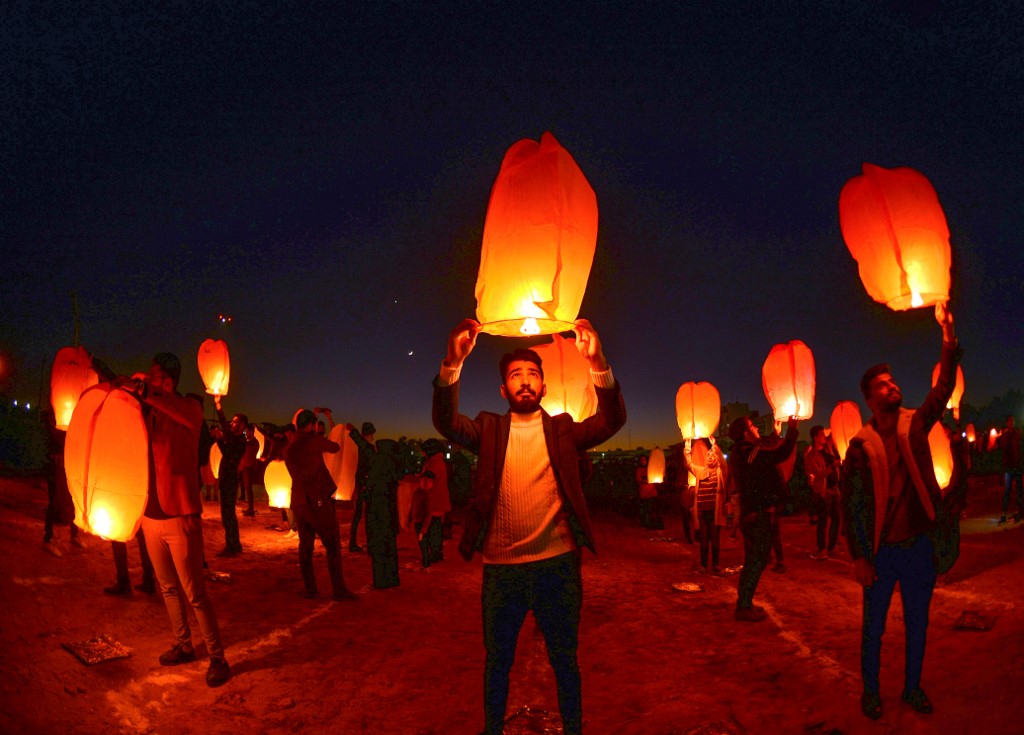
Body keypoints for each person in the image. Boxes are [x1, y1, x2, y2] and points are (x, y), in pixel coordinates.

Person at [432, 318, 626, 735]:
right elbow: (447, 424)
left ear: (544, 387)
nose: (525, 382)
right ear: (504, 390)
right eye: (515, 376)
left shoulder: (563, 431)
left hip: (557, 565)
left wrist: (598, 363)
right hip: (501, 569)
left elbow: (611, 422)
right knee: (497, 660)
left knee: (564, 658)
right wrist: (452, 363)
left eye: (532, 375)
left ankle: (573, 728)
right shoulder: (488, 429)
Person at [841, 301, 959, 720]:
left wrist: (947, 336)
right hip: (881, 553)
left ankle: (912, 688)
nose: (893, 387)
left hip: (918, 547)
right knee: (873, 628)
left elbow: (942, 389)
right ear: (871, 398)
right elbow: (850, 506)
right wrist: (858, 556)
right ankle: (870, 693)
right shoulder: (858, 448)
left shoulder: (915, 424)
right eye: (884, 385)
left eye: (893, 382)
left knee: (917, 624)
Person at [133, 353, 230, 687]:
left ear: (169, 379)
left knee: (195, 592)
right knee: (167, 587)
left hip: (180, 515)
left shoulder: (190, 407)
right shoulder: (148, 413)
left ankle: (218, 657)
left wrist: (147, 393)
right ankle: (183, 643)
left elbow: (173, 408)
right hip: (150, 514)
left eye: (156, 376)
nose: (151, 381)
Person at [727, 414, 799, 621]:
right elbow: (778, 454)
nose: (756, 427)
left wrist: (776, 433)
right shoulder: (749, 453)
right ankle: (743, 606)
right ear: (745, 433)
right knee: (755, 562)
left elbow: (764, 450)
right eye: (752, 426)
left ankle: (745, 603)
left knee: (756, 560)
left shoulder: (743, 452)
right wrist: (792, 429)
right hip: (757, 515)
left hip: (754, 514)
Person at [284, 409, 357, 600]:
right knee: (332, 544)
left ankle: (310, 589)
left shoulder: (290, 445)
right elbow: (334, 447)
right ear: (310, 425)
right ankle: (339, 590)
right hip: (316, 500)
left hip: (298, 501)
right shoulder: (313, 440)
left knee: (305, 545)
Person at [347, 422, 402, 589]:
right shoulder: (394, 464)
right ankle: (392, 579)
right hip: (390, 512)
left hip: (377, 511)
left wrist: (354, 432)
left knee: (378, 547)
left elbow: (364, 447)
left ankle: (380, 581)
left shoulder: (378, 460)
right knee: (390, 547)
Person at [682, 437, 730, 574]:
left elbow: (723, 462)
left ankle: (715, 565)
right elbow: (689, 463)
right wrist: (687, 445)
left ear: (716, 459)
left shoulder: (720, 472)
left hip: (714, 512)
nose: (709, 457)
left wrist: (715, 445)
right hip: (702, 512)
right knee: (704, 540)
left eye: (712, 455)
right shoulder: (701, 471)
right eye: (708, 455)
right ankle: (703, 566)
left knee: (715, 539)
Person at [41, 408, 83, 557]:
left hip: (69, 459)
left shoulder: (70, 409)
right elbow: (52, 436)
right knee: (54, 499)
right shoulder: (54, 415)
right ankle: (48, 538)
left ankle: (74, 534)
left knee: (73, 498)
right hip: (56, 461)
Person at [212, 397, 247, 556]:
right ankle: (233, 545)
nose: (231, 424)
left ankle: (233, 546)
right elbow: (224, 424)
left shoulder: (240, 440)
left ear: (242, 425)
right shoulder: (234, 438)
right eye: (231, 421)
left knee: (228, 514)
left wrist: (219, 440)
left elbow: (228, 455)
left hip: (231, 479)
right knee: (227, 513)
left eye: (234, 422)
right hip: (226, 478)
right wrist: (218, 404)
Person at [805, 425, 841, 560]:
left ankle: (832, 547)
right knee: (823, 521)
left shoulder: (827, 450)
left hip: (835, 488)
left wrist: (837, 420)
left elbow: (833, 436)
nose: (824, 436)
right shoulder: (810, 456)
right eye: (821, 434)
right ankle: (822, 549)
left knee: (837, 519)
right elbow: (816, 475)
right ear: (815, 437)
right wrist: (833, 466)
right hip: (823, 491)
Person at [348, 422, 375, 553]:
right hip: (365, 486)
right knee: (366, 515)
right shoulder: (366, 447)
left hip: (360, 485)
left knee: (358, 515)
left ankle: (353, 542)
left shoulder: (357, 447)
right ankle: (368, 544)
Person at [996, 416, 1022, 523]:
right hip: (1008, 466)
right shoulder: (1005, 435)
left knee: (1019, 490)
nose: (1011, 423)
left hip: (1017, 465)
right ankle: (1004, 512)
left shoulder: (1018, 434)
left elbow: (1020, 448)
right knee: (1007, 490)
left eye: (1013, 421)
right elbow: (1000, 446)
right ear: (1007, 423)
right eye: (1010, 421)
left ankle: (1020, 510)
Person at [410, 470, 437, 569]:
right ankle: (426, 561)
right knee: (421, 543)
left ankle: (426, 563)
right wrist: (410, 518)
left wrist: (424, 529)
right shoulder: (417, 492)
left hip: (423, 523)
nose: (426, 483)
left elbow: (428, 514)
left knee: (423, 543)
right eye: (424, 480)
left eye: (429, 482)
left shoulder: (427, 496)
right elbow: (412, 506)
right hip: (417, 522)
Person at [239, 423, 260, 517]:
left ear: (251, 431)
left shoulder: (254, 442)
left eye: (247, 431)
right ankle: (250, 507)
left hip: (249, 467)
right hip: (245, 467)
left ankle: (251, 508)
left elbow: (250, 454)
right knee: (247, 488)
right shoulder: (248, 442)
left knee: (248, 488)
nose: (246, 433)